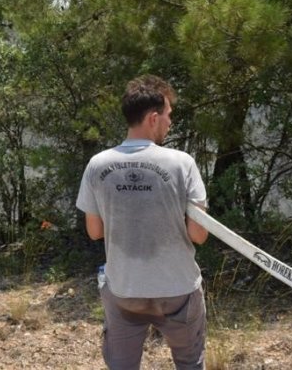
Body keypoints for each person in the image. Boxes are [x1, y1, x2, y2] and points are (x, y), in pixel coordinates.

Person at [76, 75, 209, 370]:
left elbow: (94, 231)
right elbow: (198, 234)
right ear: (153, 118)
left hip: (125, 290)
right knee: (190, 364)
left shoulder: (97, 164)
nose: (170, 123)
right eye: (168, 115)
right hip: (177, 291)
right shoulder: (182, 163)